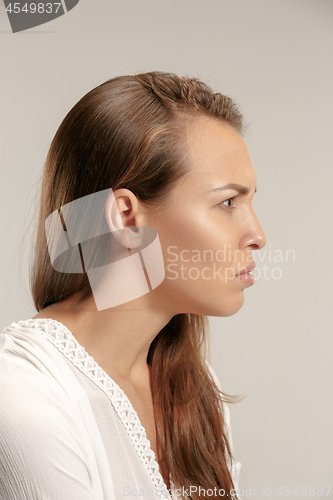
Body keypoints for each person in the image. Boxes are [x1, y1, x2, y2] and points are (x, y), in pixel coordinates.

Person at [0, 71, 266, 500]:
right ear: (126, 217)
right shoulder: (25, 389)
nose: (257, 235)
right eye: (228, 202)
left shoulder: (197, 393)